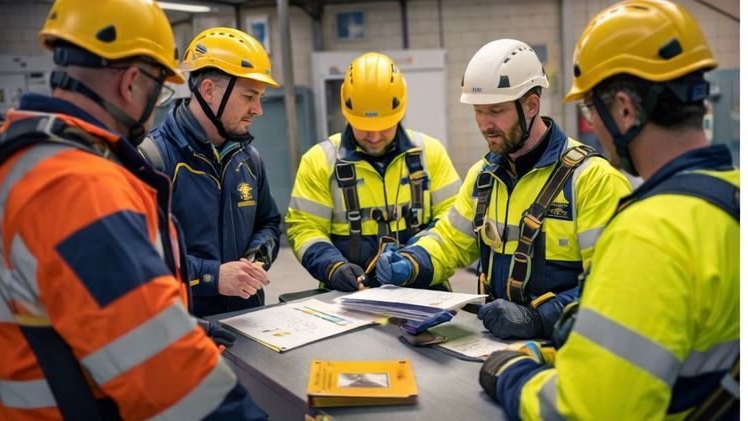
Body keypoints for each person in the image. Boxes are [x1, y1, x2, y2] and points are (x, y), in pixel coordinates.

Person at [0, 1, 267, 419]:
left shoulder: (11, 156)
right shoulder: (80, 185)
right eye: (158, 90)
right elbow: (171, 382)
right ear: (132, 82)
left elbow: (59, 302)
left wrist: (176, 320)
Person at [479, 1, 739, 419]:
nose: (593, 126)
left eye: (589, 109)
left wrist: (512, 373)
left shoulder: (652, 233)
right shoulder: (731, 199)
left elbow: (585, 410)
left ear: (623, 108)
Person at [376, 39, 631, 340]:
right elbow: (450, 242)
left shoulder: (592, 181)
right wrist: (411, 261)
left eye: (495, 111)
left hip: (565, 348)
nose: (485, 125)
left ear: (531, 105)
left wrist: (537, 319)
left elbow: (613, 289)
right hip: (495, 346)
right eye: (479, 112)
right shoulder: (483, 177)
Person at [285, 52, 461, 292]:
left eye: (384, 126)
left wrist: (416, 260)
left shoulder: (430, 154)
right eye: (365, 127)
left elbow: (453, 223)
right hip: (349, 293)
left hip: (422, 289)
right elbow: (304, 227)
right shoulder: (320, 160)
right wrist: (332, 267)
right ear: (347, 112)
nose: (375, 136)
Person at [141, 27, 281, 317]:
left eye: (260, 98)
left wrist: (256, 257)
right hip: (185, 332)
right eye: (248, 96)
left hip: (247, 324)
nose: (258, 109)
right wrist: (213, 277)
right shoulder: (154, 159)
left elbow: (268, 223)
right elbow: (140, 258)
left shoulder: (249, 160)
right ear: (208, 91)